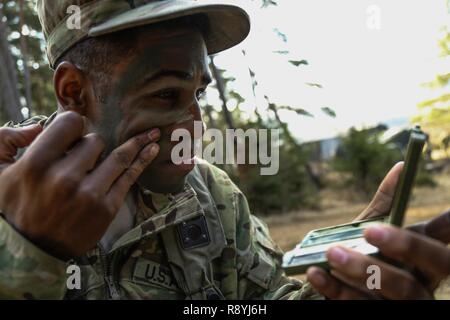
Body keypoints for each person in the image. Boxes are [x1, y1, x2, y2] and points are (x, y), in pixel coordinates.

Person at [0, 0, 448, 300]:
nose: (195, 126)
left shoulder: (209, 193)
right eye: (165, 96)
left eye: (197, 94)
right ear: (74, 91)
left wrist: (348, 281)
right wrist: (30, 253)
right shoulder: (6, 199)